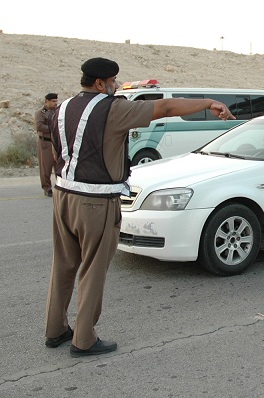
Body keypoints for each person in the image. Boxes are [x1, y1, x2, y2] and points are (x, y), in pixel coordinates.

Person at [44, 57, 235, 357]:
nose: (116, 86)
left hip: (62, 195)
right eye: (113, 81)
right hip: (96, 201)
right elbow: (167, 108)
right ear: (99, 84)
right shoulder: (112, 108)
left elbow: (55, 150)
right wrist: (209, 102)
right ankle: (84, 339)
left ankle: (55, 330)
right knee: (93, 268)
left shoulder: (62, 108)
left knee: (64, 264)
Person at [34, 93, 59, 197]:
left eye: (56, 101)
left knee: (58, 165)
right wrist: (52, 128)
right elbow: (39, 126)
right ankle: (47, 188)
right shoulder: (41, 113)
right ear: (47, 101)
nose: (55, 103)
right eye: (53, 101)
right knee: (46, 166)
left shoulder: (57, 111)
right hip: (46, 142)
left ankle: (59, 186)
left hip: (56, 142)